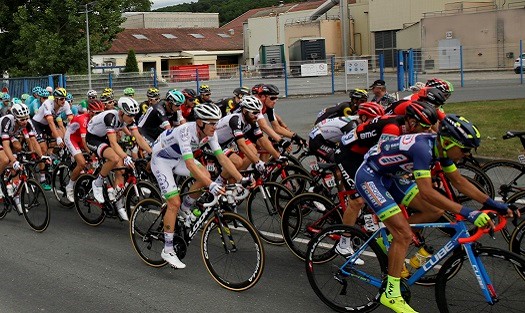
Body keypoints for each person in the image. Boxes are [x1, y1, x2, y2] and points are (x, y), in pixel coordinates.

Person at [354, 114, 515, 312]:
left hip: (391, 176)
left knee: (434, 211)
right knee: (404, 234)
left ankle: (387, 235)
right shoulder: (423, 149)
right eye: (464, 149)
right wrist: (469, 213)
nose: (466, 154)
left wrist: (495, 204)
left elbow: (459, 182)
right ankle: (391, 293)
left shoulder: (441, 149)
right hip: (370, 176)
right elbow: (427, 191)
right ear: (448, 142)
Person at [150, 103, 250, 269]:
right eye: (211, 122)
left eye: (216, 122)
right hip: (161, 159)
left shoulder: (210, 134)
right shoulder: (185, 132)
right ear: (200, 122)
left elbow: (223, 159)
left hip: (178, 158)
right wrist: (210, 185)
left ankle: (186, 208)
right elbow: (190, 164)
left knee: (206, 174)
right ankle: (167, 250)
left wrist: (240, 179)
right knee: (174, 202)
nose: (215, 126)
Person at [86, 97, 152, 221]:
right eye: (130, 115)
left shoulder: (129, 119)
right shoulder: (110, 117)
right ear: (121, 112)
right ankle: (97, 183)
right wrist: (125, 156)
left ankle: (118, 202)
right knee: (114, 159)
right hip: (93, 138)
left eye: (134, 116)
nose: (133, 119)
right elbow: (113, 143)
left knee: (121, 170)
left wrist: (151, 152)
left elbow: (139, 138)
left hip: (105, 137)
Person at [215, 95, 284, 178]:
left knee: (250, 155)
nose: (257, 116)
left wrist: (278, 156)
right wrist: (257, 162)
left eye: (259, 112)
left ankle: (234, 179)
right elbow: (241, 145)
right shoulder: (236, 120)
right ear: (244, 111)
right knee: (238, 162)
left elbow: (262, 140)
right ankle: (220, 182)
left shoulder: (251, 121)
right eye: (254, 113)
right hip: (213, 143)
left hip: (225, 143)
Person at [309, 102, 384, 163]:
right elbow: (350, 146)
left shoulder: (360, 122)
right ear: (364, 117)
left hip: (327, 137)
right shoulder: (352, 125)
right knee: (339, 161)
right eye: (374, 120)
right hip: (317, 139)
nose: (376, 123)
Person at [64, 99, 105, 202]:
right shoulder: (83, 120)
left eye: (101, 113)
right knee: (82, 163)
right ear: (90, 112)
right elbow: (84, 140)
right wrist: (91, 153)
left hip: (83, 138)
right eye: (97, 113)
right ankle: (69, 187)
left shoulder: (99, 120)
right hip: (72, 138)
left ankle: (85, 178)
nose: (99, 115)